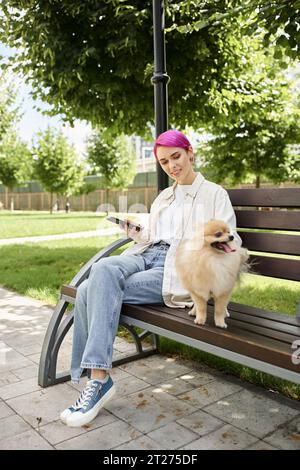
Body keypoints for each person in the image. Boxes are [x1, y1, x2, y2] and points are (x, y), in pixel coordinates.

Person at [60, 129, 241, 427]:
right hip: (147, 256)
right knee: (101, 270)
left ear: (190, 153)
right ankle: (98, 379)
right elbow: (157, 238)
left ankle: (96, 379)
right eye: (164, 161)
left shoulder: (214, 194)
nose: (171, 165)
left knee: (89, 289)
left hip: (177, 270)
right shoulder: (164, 198)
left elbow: (230, 242)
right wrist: (139, 233)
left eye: (176, 157)